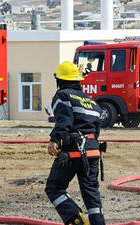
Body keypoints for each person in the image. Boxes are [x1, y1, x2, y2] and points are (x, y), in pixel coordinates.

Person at [45, 61, 105, 225]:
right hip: (93, 152)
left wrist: (54, 140)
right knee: (91, 193)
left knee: (54, 188)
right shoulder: (92, 102)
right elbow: (96, 130)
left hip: (73, 150)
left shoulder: (62, 95)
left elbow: (65, 121)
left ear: (60, 80)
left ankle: (76, 220)